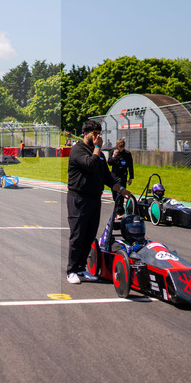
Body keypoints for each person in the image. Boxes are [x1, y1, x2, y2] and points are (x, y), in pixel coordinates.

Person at [66, 120, 129, 285]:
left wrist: (120, 189)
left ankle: (80, 268)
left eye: (99, 133)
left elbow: (106, 176)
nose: (97, 137)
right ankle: (71, 270)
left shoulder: (99, 154)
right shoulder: (78, 150)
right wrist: (98, 148)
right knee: (78, 235)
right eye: (94, 133)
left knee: (89, 235)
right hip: (78, 197)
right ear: (86, 134)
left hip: (94, 198)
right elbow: (90, 165)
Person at [108, 138, 134, 215]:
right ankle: (117, 209)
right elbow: (109, 163)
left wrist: (130, 178)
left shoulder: (127, 154)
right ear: (117, 146)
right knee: (114, 194)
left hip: (123, 176)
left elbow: (130, 166)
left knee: (120, 193)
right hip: (114, 175)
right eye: (120, 147)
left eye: (122, 147)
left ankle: (119, 212)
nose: (121, 149)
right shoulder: (113, 151)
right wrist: (113, 156)